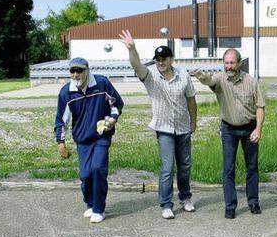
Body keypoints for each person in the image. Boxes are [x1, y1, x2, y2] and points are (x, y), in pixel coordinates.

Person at [119, 30, 197, 219]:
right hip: (163, 129)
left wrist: (194, 122)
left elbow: (191, 100)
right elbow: (137, 66)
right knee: (167, 167)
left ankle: (185, 198)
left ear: (171, 59)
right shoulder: (151, 77)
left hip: (183, 128)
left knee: (185, 166)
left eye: (164, 59)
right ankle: (166, 204)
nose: (161, 62)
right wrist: (132, 48)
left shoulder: (183, 76)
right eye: (157, 59)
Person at [191, 49, 265, 219]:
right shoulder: (219, 78)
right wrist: (200, 75)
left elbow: (260, 106)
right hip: (229, 129)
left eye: (232, 63)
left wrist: (258, 129)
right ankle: (230, 206)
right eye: (226, 63)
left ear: (239, 63)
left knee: (252, 168)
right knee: (228, 169)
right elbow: (208, 80)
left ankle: (253, 202)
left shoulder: (251, 81)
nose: (229, 66)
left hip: (250, 128)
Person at [54, 57, 124, 224]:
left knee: (98, 169)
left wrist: (112, 118)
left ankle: (99, 208)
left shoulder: (102, 83)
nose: (76, 74)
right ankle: (91, 203)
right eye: (72, 71)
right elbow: (61, 120)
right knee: (86, 175)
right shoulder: (66, 92)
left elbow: (117, 104)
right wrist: (60, 142)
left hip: (102, 136)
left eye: (79, 71)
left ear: (87, 70)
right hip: (82, 139)